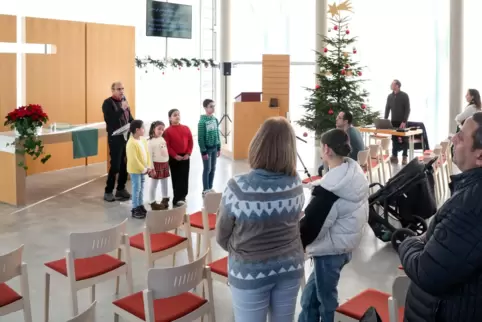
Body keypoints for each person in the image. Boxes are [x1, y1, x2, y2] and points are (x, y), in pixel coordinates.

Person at [216, 117, 305, 322]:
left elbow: (221, 236)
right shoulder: (296, 184)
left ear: (258, 143)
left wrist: (245, 249)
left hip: (249, 271)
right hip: (290, 266)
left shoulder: (238, 187)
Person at [398, 112, 482, 321]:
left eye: (461, 137)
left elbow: (427, 273)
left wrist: (408, 242)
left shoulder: (471, 206)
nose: (453, 138)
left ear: (479, 156)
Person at [299, 128, 369, 322]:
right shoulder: (353, 173)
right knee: (309, 299)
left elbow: (312, 228)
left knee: (326, 303)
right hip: (344, 245)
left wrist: (297, 238)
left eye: (322, 148)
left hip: (329, 252)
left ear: (327, 150)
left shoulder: (330, 191)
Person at [102, 81, 133, 202]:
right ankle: (108, 191)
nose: (121, 91)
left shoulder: (124, 102)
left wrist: (136, 125)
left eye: (122, 88)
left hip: (126, 137)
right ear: (112, 90)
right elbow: (111, 120)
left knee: (124, 164)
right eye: (119, 89)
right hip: (115, 138)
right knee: (115, 165)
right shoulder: (107, 103)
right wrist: (121, 109)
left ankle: (121, 189)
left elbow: (129, 118)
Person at [163, 109, 193, 207]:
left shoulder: (186, 128)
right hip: (174, 157)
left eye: (178, 114)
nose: (177, 116)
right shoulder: (167, 131)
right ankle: (177, 198)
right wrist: (175, 155)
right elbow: (167, 145)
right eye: (175, 115)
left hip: (185, 156)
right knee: (176, 177)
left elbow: (190, 142)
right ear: (170, 118)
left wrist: (188, 153)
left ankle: (183, 196)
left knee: (184, 177)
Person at [126, 120, 152, 219]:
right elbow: (133, 160)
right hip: (135, 170)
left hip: (143, 169)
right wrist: (143, 169)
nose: (144, 129)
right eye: (143, 128)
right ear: (137, 130)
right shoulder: (131, 143)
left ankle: (140, 205)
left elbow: (147, 153)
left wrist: (148, 166)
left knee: (141, 189)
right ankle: (135, 208)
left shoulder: (143, 140)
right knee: (136, 189)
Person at [198, 98, 221, 196]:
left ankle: (210, 188)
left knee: (213, 168)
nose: (213, 108)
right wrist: (203, 151)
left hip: (214, 147)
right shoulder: (202, 122)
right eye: (211, 106)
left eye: (214, 106)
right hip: (206, 149)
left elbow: (217, 134)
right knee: (207, 169)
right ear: (205, 108)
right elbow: (200, 138)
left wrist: (219, 147)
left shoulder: (215, 120)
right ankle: (205, 190)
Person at [384, 79, 410, 165]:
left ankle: (404, 157)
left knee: (405, 140)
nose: (391, 85)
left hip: (402, 122)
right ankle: (394, 156)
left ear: (397, 86)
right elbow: (387, 108)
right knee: (394, 139)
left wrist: (404, 121)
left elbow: (407, 109)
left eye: (393, 84)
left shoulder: (404, 96)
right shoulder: (389, 96)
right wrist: (385, 120)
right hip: (393, 121)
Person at [147, 121, 170, 211]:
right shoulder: (150, 142)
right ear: (153, 129)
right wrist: (151, 168)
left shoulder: (162, 139)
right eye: (159, 129)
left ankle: (165, 199)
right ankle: (152, 201)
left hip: (164, 163)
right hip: (156, 165)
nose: (161, 131)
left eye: (162, 129)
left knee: (165, 182)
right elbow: (149, 157)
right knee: (154, 184)